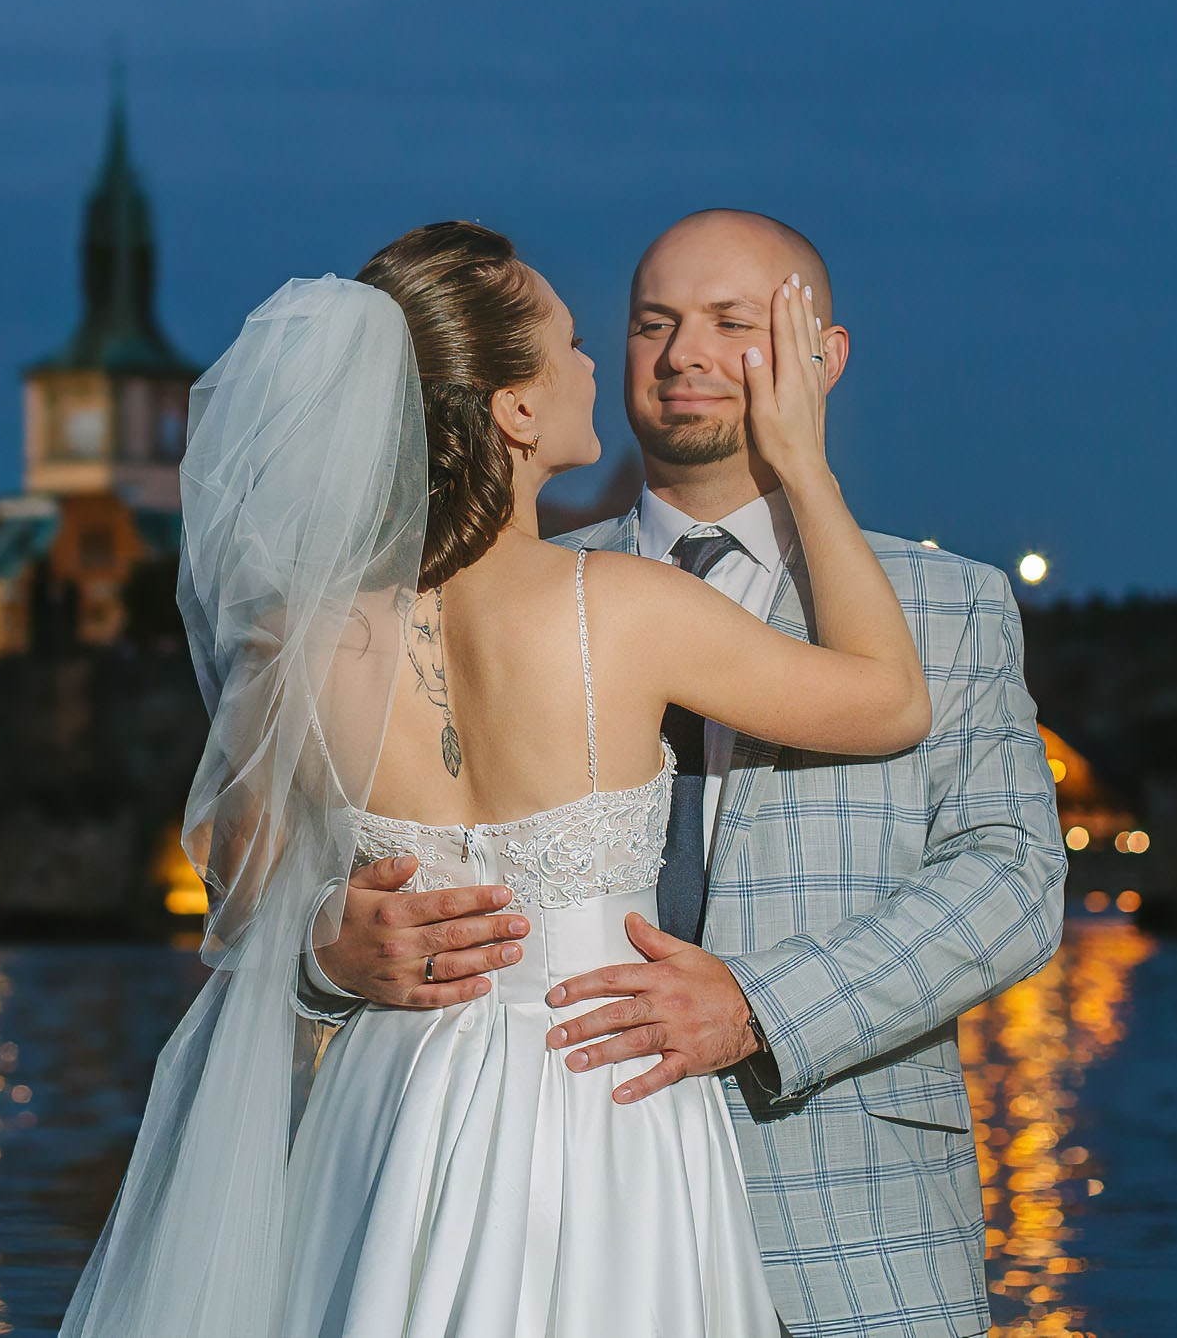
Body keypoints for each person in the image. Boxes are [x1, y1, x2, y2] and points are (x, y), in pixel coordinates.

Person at [62, 217, 973, 1338]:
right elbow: (890, 699)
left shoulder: (290, 643)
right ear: (516, 407)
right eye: (576, 341)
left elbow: (240, 908)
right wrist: (802, 461)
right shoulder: (623, 606)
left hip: (391, 1106)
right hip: (599, 1099)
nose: (601, 363)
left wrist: (328, 948)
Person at [302, 210, 1069, 1338]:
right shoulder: (500, 589)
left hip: (853, 1225)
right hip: (543, 1212)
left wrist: (761, 1005)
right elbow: (299, 883)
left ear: (826, 356)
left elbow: (1011, 881)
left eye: (732, 323)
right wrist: (332, 947)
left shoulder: (945, 606)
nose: (682, 355)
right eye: (649, 323)